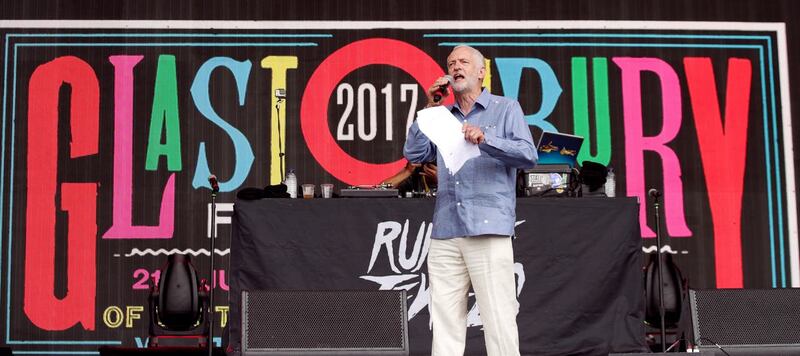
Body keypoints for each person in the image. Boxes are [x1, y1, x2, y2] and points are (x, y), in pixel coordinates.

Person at [404, 45, 537, 356]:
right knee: (445, 322)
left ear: (481, 72)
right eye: (451, 63)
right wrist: (429, 107)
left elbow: (528, 155)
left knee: (498, 318)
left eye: (463, 61)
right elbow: (413, 154)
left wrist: (486, 139)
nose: (455, 66)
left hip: (488, 227)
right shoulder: (440, 116)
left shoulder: (505, 108)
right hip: (446, 229)